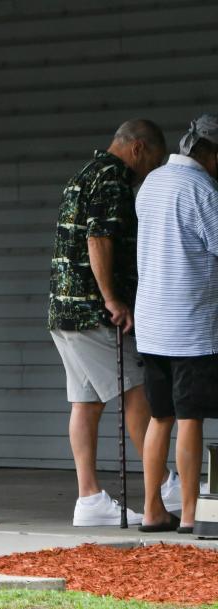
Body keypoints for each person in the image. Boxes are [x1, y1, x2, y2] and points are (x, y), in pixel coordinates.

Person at [47, 119, 167, 526]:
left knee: (86, 400)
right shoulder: (114, 180)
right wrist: (112, 299)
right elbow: (99, 239)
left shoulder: (84, 174)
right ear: (137, 149)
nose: (150, 171)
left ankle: (89, 498)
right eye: (153, 160)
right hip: (93, 313)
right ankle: (163, 483)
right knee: (137, 389)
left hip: (64, 311)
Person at [135, 114, 218, 533]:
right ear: (211, 153)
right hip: (190, 327)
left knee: (160, 417)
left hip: (152, 324)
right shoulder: (202, 189)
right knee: (190, 418)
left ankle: (152, 510)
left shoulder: (152, 183)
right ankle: (189, 514)